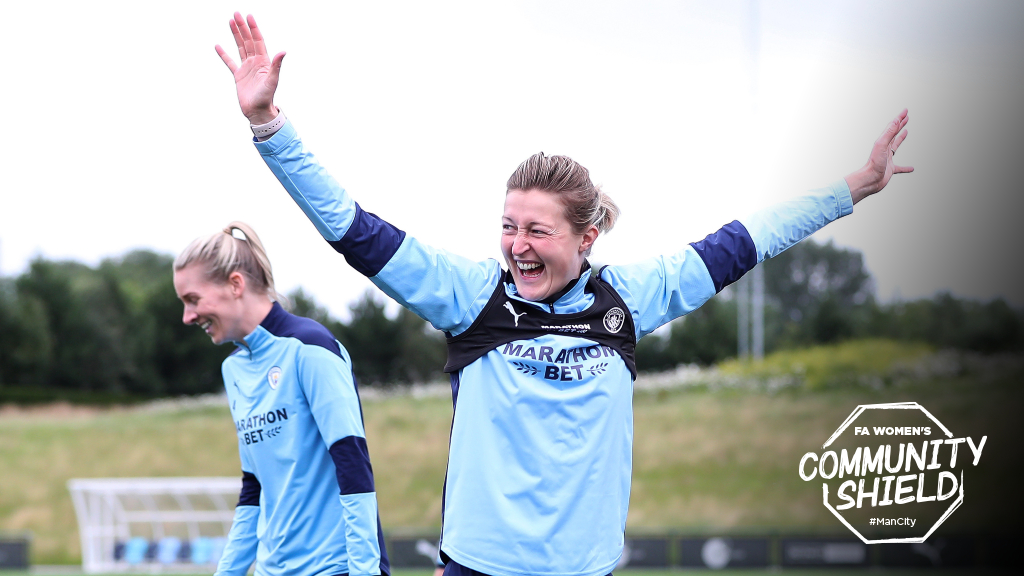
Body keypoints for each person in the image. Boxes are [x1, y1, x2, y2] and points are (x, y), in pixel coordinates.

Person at [215, 13, 913, 576]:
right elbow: (353, 229)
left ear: (588, 237)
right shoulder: (471, 295)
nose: (517, 246)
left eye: (537, 231)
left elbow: (745, 239)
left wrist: (852, 187)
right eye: (507, 226)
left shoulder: (630, 299)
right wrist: (269, 126)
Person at [172, 221, 390, 576]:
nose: (187, 316)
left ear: (235, 284)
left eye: (192, 300)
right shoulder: (234, 370)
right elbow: (254, 488)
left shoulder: (311, 348)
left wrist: (365, 572)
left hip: (335, 569)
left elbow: (353, 465)